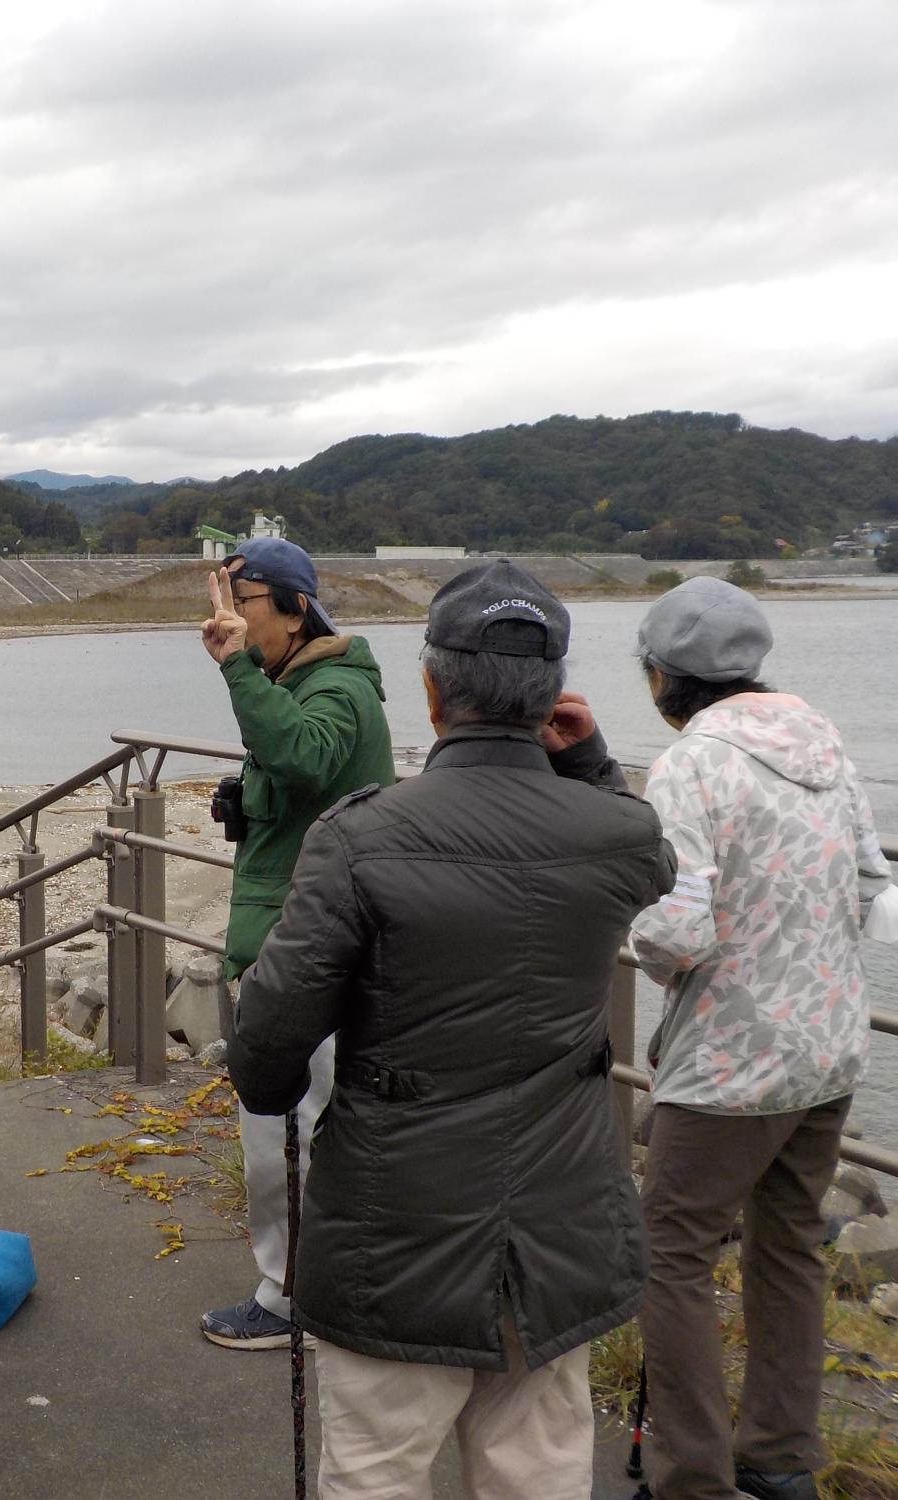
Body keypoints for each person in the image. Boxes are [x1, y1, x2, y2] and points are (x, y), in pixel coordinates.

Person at [229, 558, 675, 1500]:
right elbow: (653, 849)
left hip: (394, 1235)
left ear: (431, 692)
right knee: (537, 1469)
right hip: (560, 1234)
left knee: (376, 1470)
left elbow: (265, 1055)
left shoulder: (359, 838)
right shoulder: (616, 836)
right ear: (553, 694)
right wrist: (587, 761)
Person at [631, 576, 891, 1500]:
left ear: (664, 676)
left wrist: (645, 952)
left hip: (732, 1062)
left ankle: (691, 1479)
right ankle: (781, 1458)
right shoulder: (822, 743)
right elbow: (874, 886)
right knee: (787, 1249)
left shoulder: (692, 765)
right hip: (829, 1043)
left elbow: (675, 927)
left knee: (672, 1255)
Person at [197, 537, 395, 1351]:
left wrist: (236, 671)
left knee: (283, 1129)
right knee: (303, 1126)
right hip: (297, 940)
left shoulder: (339, 689)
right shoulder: (302, 683)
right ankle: (320, 1289)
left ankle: (289, 1302)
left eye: (238, 604)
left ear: (293, 605)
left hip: (307, 953)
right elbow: (293, 781)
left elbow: (308, 754)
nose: (225, 622)